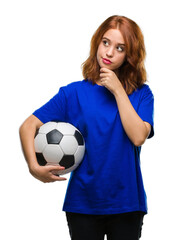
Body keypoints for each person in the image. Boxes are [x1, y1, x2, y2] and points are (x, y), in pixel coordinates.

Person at [19, 15, 154, 240]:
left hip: (127, 203)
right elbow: (28, 126)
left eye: (120, 48)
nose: (109, 52)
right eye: (105, 42)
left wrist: (118, 90)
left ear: (129, 55)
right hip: (82, 204)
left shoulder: (142, 94)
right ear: (97, 43)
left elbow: (138, 136)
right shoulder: (73, 93)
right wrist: (34, 167)